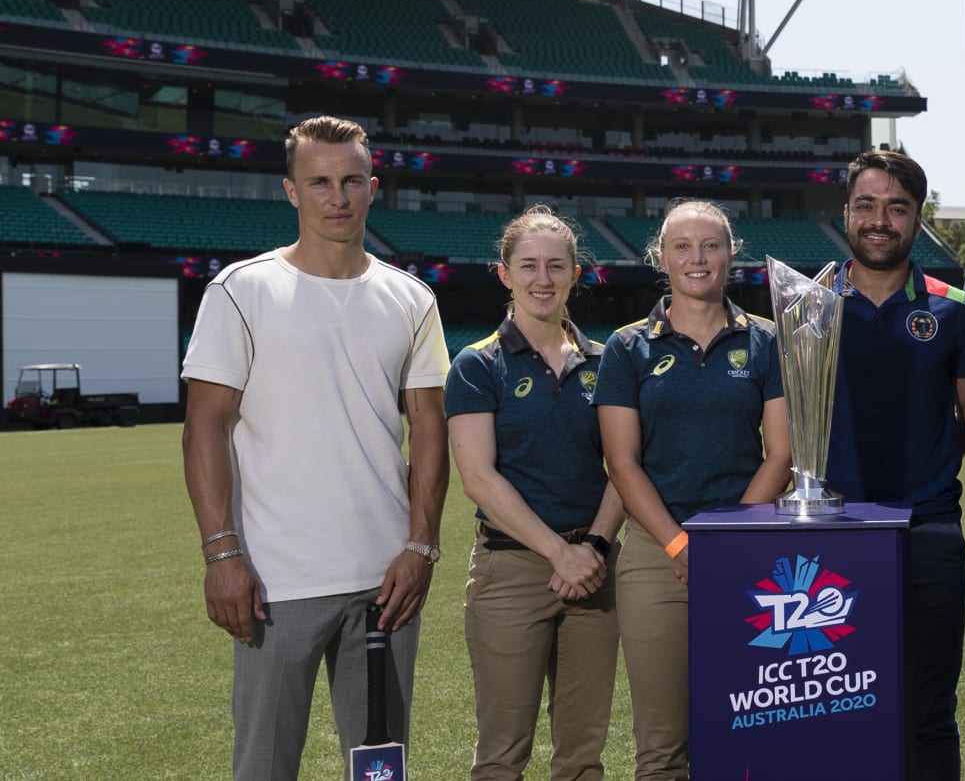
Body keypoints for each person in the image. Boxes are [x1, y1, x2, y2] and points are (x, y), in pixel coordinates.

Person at [181, 115, 449, 780]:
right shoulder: (240, 291)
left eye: (352, 181)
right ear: (291, 191)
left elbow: (430, 430)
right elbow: (204, 427)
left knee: (381, 771)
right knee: (265, 769)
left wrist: (420, 546)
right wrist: (222, 555)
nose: (339, 197)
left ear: (373, 187)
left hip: (387, 584)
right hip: (276, 582)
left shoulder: (412, 299)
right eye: (321, 182)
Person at [594, 199, 793, 780]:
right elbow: (623, 462)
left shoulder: (767, 340)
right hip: (657, 558)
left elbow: (780, 452)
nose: (698, 258)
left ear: (732, 255)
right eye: (683, 246)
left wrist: (725, 539)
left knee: (751, 721)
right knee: (662, 743)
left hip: (748, 552)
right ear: (662, 257)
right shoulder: (629, 347)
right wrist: (682, 545)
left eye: (711, 245)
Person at [823, 150, 965, 780]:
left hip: (929, 532)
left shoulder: (954, 308)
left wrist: (927, 462)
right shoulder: (806, 307)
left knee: (928, 710)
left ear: (917, 219)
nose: (879, 220)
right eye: (865, 205)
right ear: (846, 213)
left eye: (896, 207)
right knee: (838, 703)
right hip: (833, 534)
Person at [446, 205, 626, 780]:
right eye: (528, 266)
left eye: (556, 266)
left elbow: (624, 466)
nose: (542, 279)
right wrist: (560, 553)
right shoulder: (477, 365)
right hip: (512, 570)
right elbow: (478, 477)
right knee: (502, 754)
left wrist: (593, 546)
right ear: (505, 274)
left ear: (576, 273)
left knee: (582, 757)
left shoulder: (609, 362)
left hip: (595, 568)